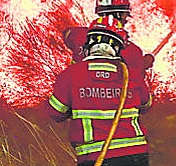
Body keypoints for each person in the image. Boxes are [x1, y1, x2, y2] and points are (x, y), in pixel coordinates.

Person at [47, 16, 153, 165]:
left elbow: (55, 112)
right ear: (118, 47)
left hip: (95, 156)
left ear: (89, 43)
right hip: (136, 155)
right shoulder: (130, 74)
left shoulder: (72, 74)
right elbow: (146, 104)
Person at [63, 0, 155, 77]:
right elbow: (137, 78)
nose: (126, 20)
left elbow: (67, 34)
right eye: (125, 15)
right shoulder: (132, 52)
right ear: (118, 14)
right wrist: (143, 63)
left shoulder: (76, 34)